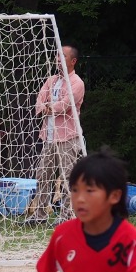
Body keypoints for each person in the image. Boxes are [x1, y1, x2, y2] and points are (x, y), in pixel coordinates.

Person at [26, 45, 85, 223]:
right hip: (49, 137)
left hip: (68, 137)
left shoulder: (77, 83)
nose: (58, 60)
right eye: (57, 56)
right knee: (43, 175)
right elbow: (39, 100)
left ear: (73, 61)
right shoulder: (51, 80)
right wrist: (46, 107)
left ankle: (66, 216)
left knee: (68, 177)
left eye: (62, 56)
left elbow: (64, 105)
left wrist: (49, 107)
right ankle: (40, 215)